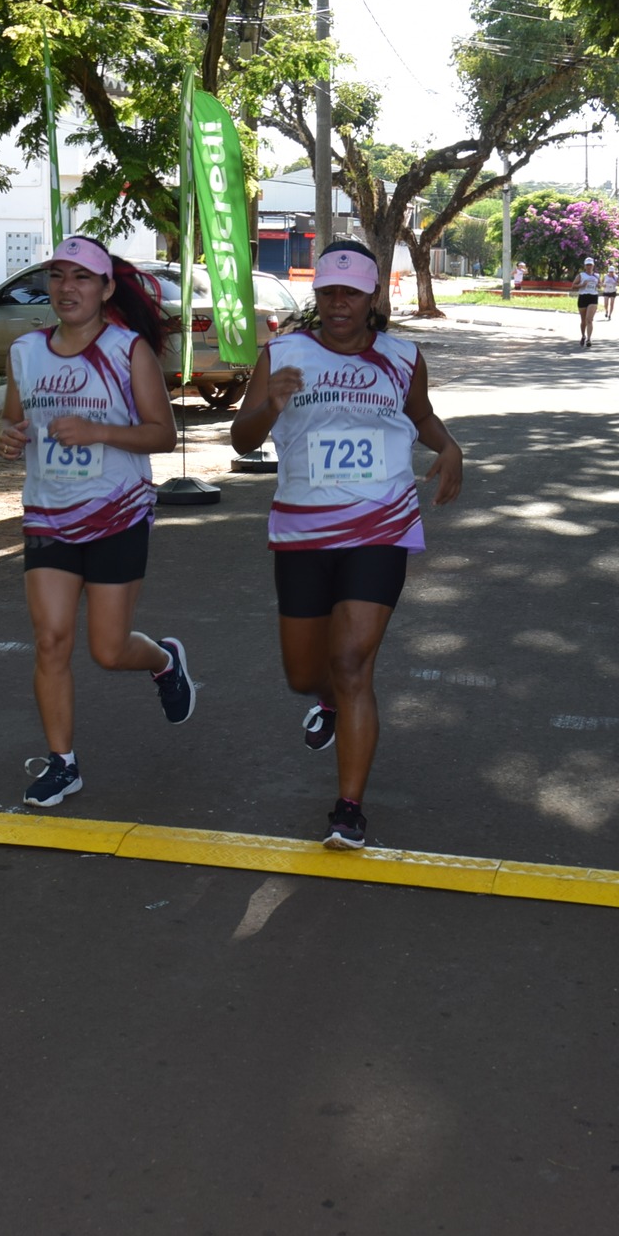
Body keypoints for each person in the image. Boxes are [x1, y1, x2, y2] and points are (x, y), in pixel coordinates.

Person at [229, 240, 465, 850]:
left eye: (350, 294)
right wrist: (270, 404)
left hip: (380, 526)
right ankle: (327, 700)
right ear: (318, 296)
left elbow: (421, 416)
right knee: (304, 672)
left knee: (354, 662)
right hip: (303, 532)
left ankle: (349, 808)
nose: (338, 305)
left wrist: (449, 446)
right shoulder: (283, 353)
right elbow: (242, 438)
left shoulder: (402, 357)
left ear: (372, 297)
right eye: (329, 293)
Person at [0, 235, 197, 808]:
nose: (67, 288)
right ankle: (63, 763)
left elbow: (163, 434)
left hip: (118, 512)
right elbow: (14, 423)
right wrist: (8, 438)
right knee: (50, 640)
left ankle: (164, 660)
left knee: (107, 650)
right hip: (49, 516)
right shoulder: (26, 352)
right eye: (58, 276)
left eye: (81, 278)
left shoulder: (127, 349)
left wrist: (98, 431)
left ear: (106, 288)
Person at [574, 255, 601, 347]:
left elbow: (600, 285)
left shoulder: (597, 275)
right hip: (583, 297)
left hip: (593, 297)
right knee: (583, 320)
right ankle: (583, 336)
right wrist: (582, 284)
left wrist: (599, 285)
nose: (589, 266)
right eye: (587, 265)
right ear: (585, 266)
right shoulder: (581, 275)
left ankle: (589, 339)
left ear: (593, 266)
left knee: (589, 319)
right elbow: (573, 285)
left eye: (590, 265)